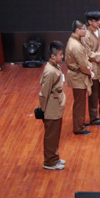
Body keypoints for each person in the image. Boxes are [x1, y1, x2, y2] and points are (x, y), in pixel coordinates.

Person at [39, 40, 67, 170]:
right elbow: (44, 93)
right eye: (61, 54)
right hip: (51, 108)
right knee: (51, 136)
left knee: (55, 134)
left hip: (56, 106)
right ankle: (49, 162)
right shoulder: (50, 71)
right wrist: (43, 110)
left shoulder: (55, 67)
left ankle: (54, 157)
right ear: (53, 56)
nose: (62, 56)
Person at [65, 20, 96, 133]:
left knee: (80, 102)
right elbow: (82, 64)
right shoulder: (76, 45)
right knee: (79, 103)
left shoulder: (75, 41)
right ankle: (78, 128)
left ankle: (80, 122)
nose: (85, 30)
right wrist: (90, 71)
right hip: (78, 76)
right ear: (77, 30)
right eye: (84, 29)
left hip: (78, 75)